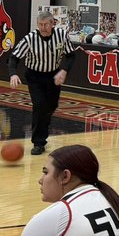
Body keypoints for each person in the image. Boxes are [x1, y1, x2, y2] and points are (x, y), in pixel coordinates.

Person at [8, 10, 75, 155]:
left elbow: (71, 56)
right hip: (34, 76)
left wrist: (63, 71)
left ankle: (43, 124)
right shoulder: (30, 38)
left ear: (53, 24)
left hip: (53, 75)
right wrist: (13, 74)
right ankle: (38, 143)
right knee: (39, 105)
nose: (43, 27)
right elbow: (14, 58)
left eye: (46, 24)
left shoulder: (61, 36)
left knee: (51, 106)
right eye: (40, 24)